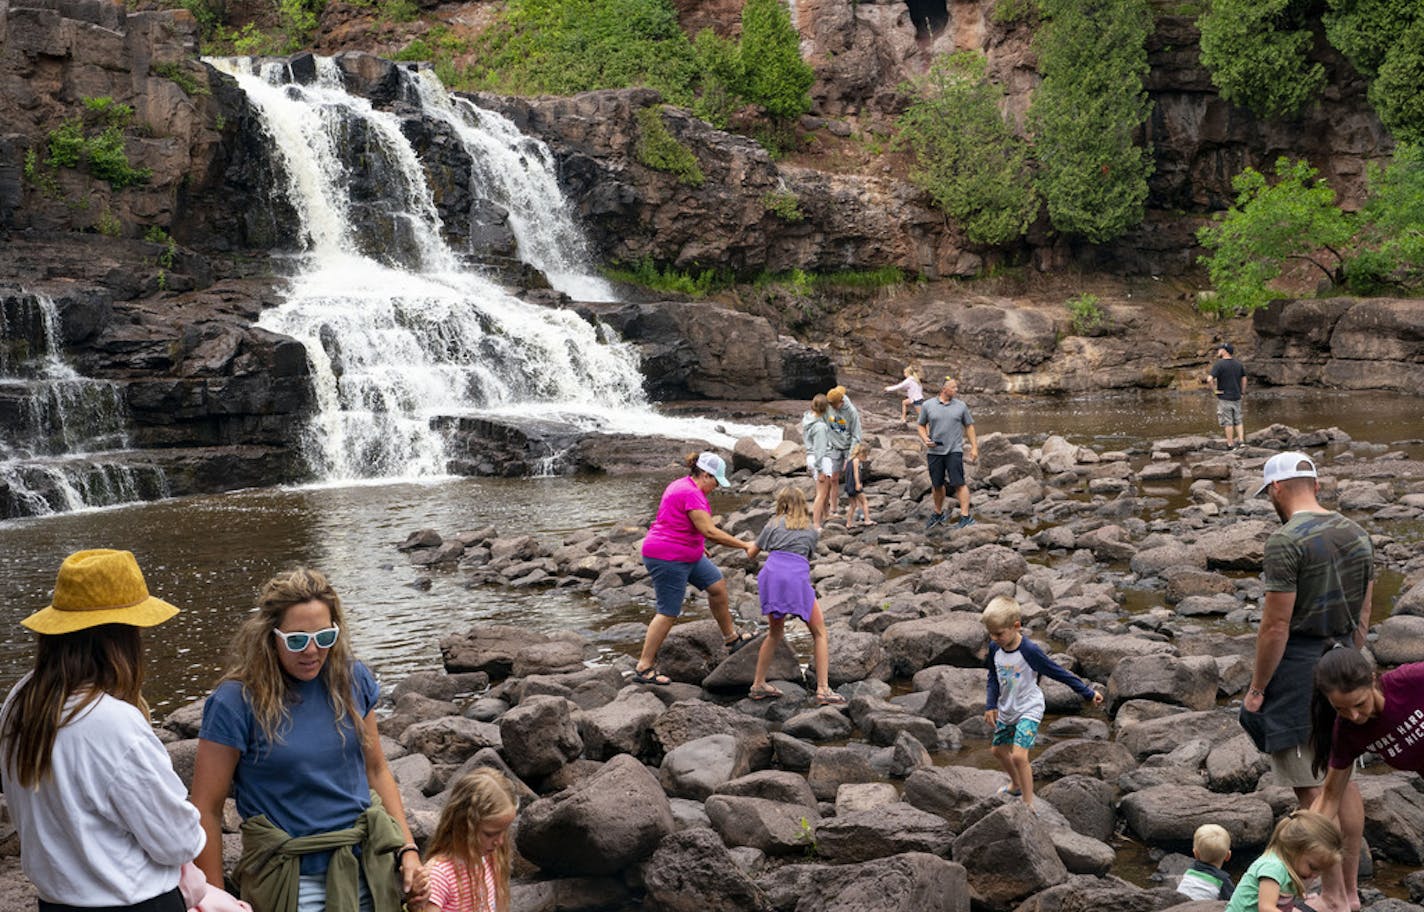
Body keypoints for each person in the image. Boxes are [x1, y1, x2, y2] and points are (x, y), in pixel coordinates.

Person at [190, 568, 426, 912]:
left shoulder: (351, 678)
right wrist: (213, 897)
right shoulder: (235, 702)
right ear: (270, 636)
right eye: (297, 640)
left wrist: (408, 851)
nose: (312, 651)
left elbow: (376, 770)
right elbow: (206, 808)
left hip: (368, 867)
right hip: (292, 883)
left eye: (325, 637)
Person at [0, 549, 207, 912]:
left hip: (55, 903)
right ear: (121, 638)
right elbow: (178, 841)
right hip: (135, 904)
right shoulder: (114, 724)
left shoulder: (20, 702)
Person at [1240, 451, 1372, 912]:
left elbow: (1275, 626)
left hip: (1299, 667)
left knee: (1312, 787)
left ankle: (1333, 896)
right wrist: (1352, 665)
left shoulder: (1285, 539)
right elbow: (1364, 615)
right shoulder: (1358, 533)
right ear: (1315, 484)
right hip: (1345, 660)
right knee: (1342, 779)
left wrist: (1257, 689)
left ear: (1277, 489)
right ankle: (1350, 892)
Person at [632, 451, 759, 686]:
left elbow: (675, 520)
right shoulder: (691, 493)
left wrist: (697, 546)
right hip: (667, 556)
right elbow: (709, 531)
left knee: (717, 586)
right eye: (716, 482)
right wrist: (744, 545)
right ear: (705, 474)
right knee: (668, 612)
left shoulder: (683, 486)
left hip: (687, 552)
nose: (717, 487)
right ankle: (644, 667)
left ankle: (731, 639)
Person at [982, 596, 1101, 807]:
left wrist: (1087, 692)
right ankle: (1016, 785)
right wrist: (991, 705)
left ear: (1016, 626)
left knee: (1019, 756)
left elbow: (1057, 672)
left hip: (1029, 707)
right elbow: (992, 677)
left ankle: (1028, 805)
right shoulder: (995, 648)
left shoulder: (1029, 651)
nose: (994, 638)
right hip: (1008, 707)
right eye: (991, 634)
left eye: (999, 633)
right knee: (998, 751)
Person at [748, 487, 846, 707]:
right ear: (804, 505)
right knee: (819, 633)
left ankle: (758, 684)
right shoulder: (811, 530)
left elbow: (751, 553)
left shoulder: (772, 524)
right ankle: (823, 689)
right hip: (795, 579)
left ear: (781, 504)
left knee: (774, 633)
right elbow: (805, 557)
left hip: (771, 576)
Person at [1308, 648, 1424, 819]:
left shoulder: (1409, 680)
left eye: (1359, 704)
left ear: (1372, 680)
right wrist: (1305, 836)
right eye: (1340, 709)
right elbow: (1330, 797)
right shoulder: (1347, 732)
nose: (1353, 716)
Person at [414, 768, 517, 912]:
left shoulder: (490, 857)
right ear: (463, 825)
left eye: (504, 831)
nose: (499, 842)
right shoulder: (438, 876)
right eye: (489, 834)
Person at [1224, 811, 1342, 912]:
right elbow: (1266, 908)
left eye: (1321, 871)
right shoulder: (1273, 868)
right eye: (1312, 867)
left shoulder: (1290, 865)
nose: (1316, 875)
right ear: (1294, 850)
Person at [916, 375, 979, 529]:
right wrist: (925, 439)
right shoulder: (928, 405)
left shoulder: (961, 406)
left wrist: (974, 447)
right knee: (937, 484)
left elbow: (969, 426)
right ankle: (938, 513)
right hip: (934, 452)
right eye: (953, 387)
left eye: (956, 387)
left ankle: (965, 516)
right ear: (944, 389)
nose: (956, 390)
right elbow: (920, 425)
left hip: (954, 450)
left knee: (959, 483)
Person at [824, 386, 861, 519]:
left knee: (853, 479)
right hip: (834, 447)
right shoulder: (828, 406)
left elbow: (857, 436)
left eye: (835, 405)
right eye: (831, 406)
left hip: (849, 447)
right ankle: (833, 509)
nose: (833, 408)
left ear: (842, 402)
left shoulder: (851, 412)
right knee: (833, 478)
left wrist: (849, 457)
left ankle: (859, 510)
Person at [1176, 823, 1235, 901]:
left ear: (1195, 854)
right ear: (1228, 856)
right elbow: (1232, 901)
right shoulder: (1223, 881)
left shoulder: (1190, 871)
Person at [801, 394, 834, 529]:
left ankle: (826, 514)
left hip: (812, 456)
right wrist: (820, 469)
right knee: (821, 493)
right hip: (820, 459)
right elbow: (820, 449)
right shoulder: (820, 427)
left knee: (826, 489)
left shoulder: (808, 417)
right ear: (826, 408)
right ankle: (816, 524)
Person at [1208, 342, 1248, 447]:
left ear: (1224, 351)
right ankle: (1241, 441)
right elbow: (1244, 379)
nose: (1218, 351)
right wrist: (1242, 392)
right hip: (1237, 396)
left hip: (1225, 397)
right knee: (1238, 419)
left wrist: (1215, 391)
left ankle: (1230, 444)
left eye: (1220, 349)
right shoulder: (1238, 364)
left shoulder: (1219, 364)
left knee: (1228, 421)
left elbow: (1209, 379)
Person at [842, 442, 875, 527]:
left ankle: (848, 523)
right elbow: (856, 473)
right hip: (854, 485)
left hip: (849, 486)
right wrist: (858, 484)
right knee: (864, 502)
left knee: (853, 505)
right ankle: (867, 520)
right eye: (865, 456)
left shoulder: (850, 460)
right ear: (861, 454)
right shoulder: (856, 461)